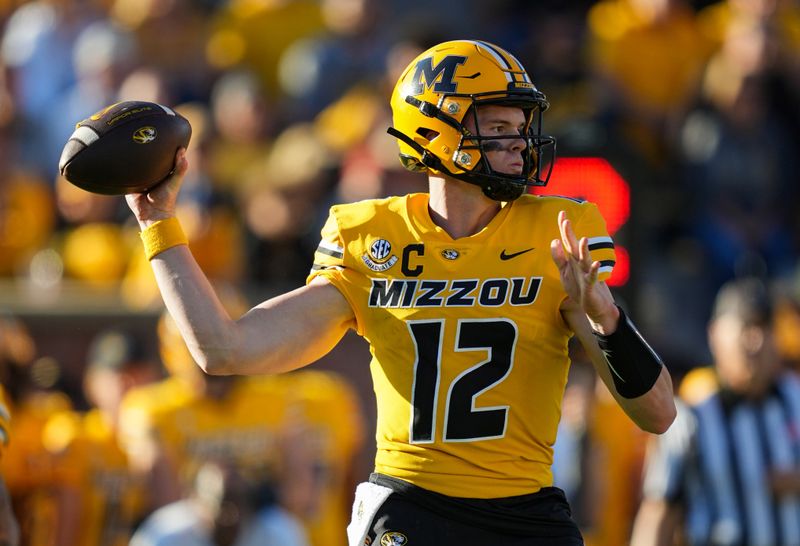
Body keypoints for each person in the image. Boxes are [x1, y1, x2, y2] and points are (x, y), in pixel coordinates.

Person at [124, 39, 676, 545]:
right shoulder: (370, 235)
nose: (519, 142)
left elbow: (657, 414)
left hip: (524, 514)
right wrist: (159, 225)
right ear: (437, 129)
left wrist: (605, 317)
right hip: (411, 512)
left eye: (521, 124)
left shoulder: (557, 229)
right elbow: (225, 349)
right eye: (499, 124)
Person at [631, 277, 800, 546]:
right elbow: (658, 513)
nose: (755, 341)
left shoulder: (795, 400)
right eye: (745, 326)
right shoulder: (690, 419)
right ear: (715, 334)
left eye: (763, 327)